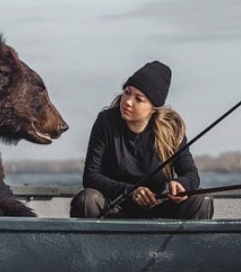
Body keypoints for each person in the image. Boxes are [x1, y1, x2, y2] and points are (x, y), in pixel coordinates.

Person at [70, 61, 214, 220]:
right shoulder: (106, 121)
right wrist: (130, 191)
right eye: (127, 92)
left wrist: (181, 185)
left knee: (202, 199)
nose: (128, 102)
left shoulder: (171, 129)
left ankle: (182, 244)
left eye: (139, 99)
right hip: (115, 208)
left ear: (154, 108)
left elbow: (191, 174)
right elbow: (91, 176)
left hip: (158, 208)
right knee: (87, 200)